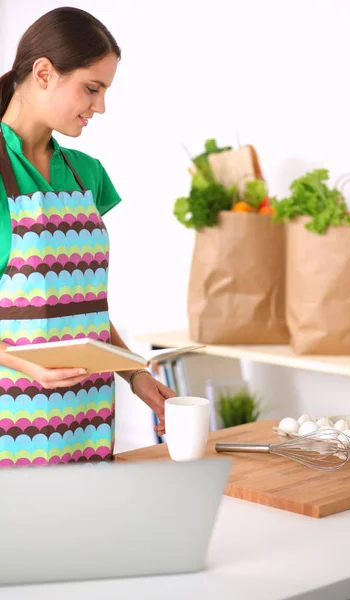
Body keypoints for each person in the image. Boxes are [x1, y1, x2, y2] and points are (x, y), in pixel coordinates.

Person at [0, 7, 175, 467]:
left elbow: (81, 306)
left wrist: (133, 371)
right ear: (43, 72)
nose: (100, 107)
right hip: (13, 416)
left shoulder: (87, 175)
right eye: (92, 89)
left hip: (88, 417)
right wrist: (24, 364)